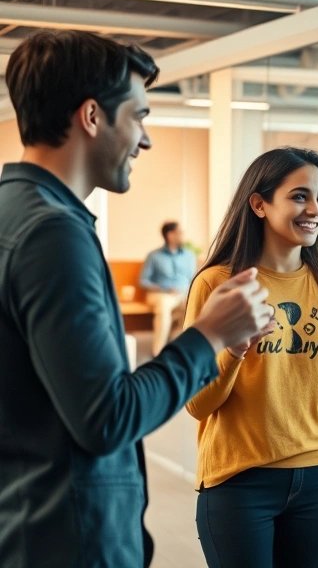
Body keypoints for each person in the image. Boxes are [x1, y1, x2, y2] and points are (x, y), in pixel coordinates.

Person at [0, 30, 273, 567]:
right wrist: (209, 335)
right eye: (140, 116)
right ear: (93, 116)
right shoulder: (52, 235)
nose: (145, 140)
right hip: (67, 540)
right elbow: (108, 417)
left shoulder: (14, 212)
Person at [182, 147, 318, 568]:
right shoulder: (217, 284)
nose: (314, 209)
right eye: (299, 196)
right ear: (259, 204)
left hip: (317, 478)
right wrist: (233, 351)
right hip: (239, 480)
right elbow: (197, 405)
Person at [140, 221, 196, 356]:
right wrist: (164, 288)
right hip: (161, 294)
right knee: (164, 306)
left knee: (193, 306)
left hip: (183, 294)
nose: (184, 236)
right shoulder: (154, 256)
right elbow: (143, 281)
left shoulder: (189, 256)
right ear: (170, 235)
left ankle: (185, 351)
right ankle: (157, 352)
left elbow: (194, 279)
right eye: (180, 233)